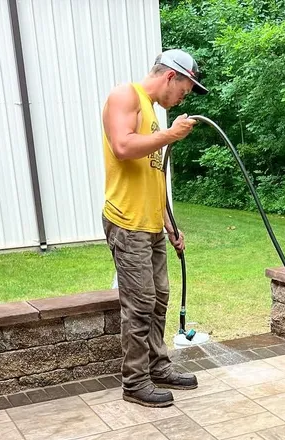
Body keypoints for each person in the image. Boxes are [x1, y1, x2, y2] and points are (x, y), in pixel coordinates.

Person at [101, 49, 208, 407]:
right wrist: (170, 136)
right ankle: (134, 382)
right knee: (140, 303)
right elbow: (122, 146)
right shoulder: (125, 96)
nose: (182, 99)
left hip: (150, 225)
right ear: (170, 77)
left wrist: (169, 225)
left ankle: (157, 366)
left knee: (159, 297)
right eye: (184, 90)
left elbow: (153, 178)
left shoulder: (151, 112)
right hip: (127, 221)